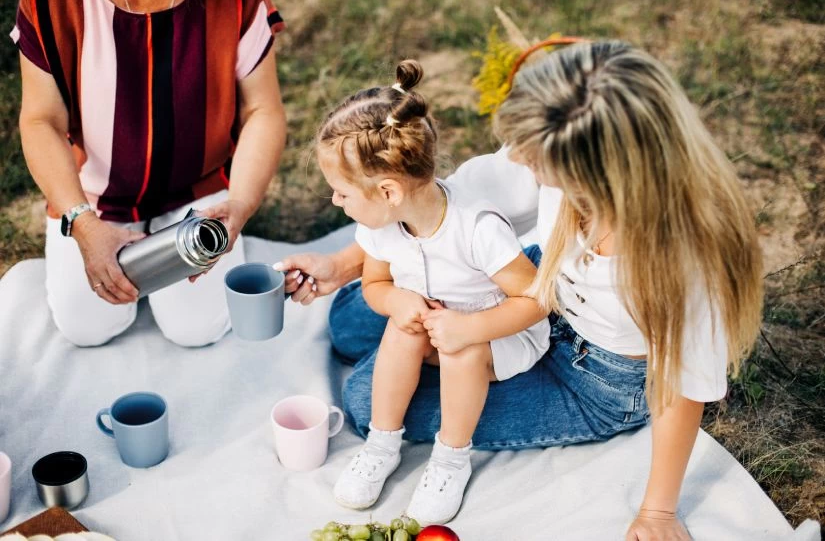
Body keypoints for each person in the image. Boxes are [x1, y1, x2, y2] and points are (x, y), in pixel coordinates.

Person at [280, 41, 764, 539]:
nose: (525, 167)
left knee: (364, 397)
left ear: (601, 175)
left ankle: (444, 415)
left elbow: (680, 387)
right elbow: (436, 203)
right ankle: (423, 348)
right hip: (544, 284)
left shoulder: (680, 262)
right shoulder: (556, 149)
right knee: (347, 318)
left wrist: (659, 511)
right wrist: (342, 266)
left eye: (536, 162)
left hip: (596, 379)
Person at [313, 60, 550, 525]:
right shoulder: (382, 225)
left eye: (341, 193)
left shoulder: (477, 228)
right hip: (433, 327)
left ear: (387, 191)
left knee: (461, 349)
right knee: (400, 332)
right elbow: (377, 285)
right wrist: (398, 302)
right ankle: (382, 445)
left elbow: (536, 300)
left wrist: (470, 328)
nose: (335, 202)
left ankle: (450, 459)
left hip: (496, 333)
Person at [12, 0, 287, 347]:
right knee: (86, 327)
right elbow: (40, 120)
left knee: (196, 329)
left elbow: (263, 111)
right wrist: (81, 222)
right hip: (93, 194)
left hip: (199, 187)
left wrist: (240, 204)